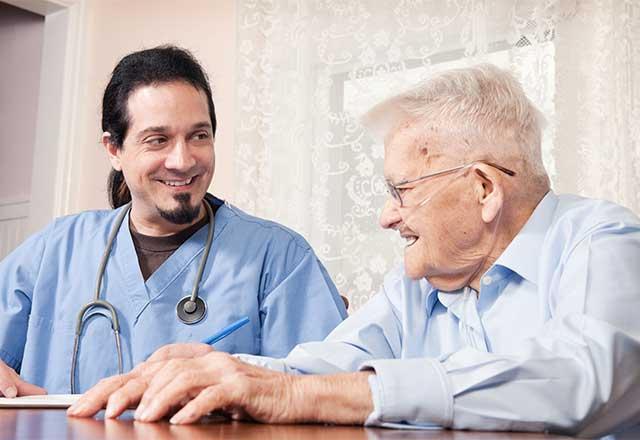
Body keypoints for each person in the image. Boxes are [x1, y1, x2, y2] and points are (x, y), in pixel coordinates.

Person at [68, 64, 640, 437]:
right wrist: (224, 371)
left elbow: (579, 379)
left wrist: (299, 391)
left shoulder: (599, 238)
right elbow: (322, 366)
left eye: (402, 191)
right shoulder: (418, 284)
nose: (387, 215)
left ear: (485, 189)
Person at [0, 45, 347, 397]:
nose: (182, 160)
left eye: (199, 135)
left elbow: (333, 394)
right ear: (114, 150)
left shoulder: (280, 259)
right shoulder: (55, 249)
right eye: (158, 140)